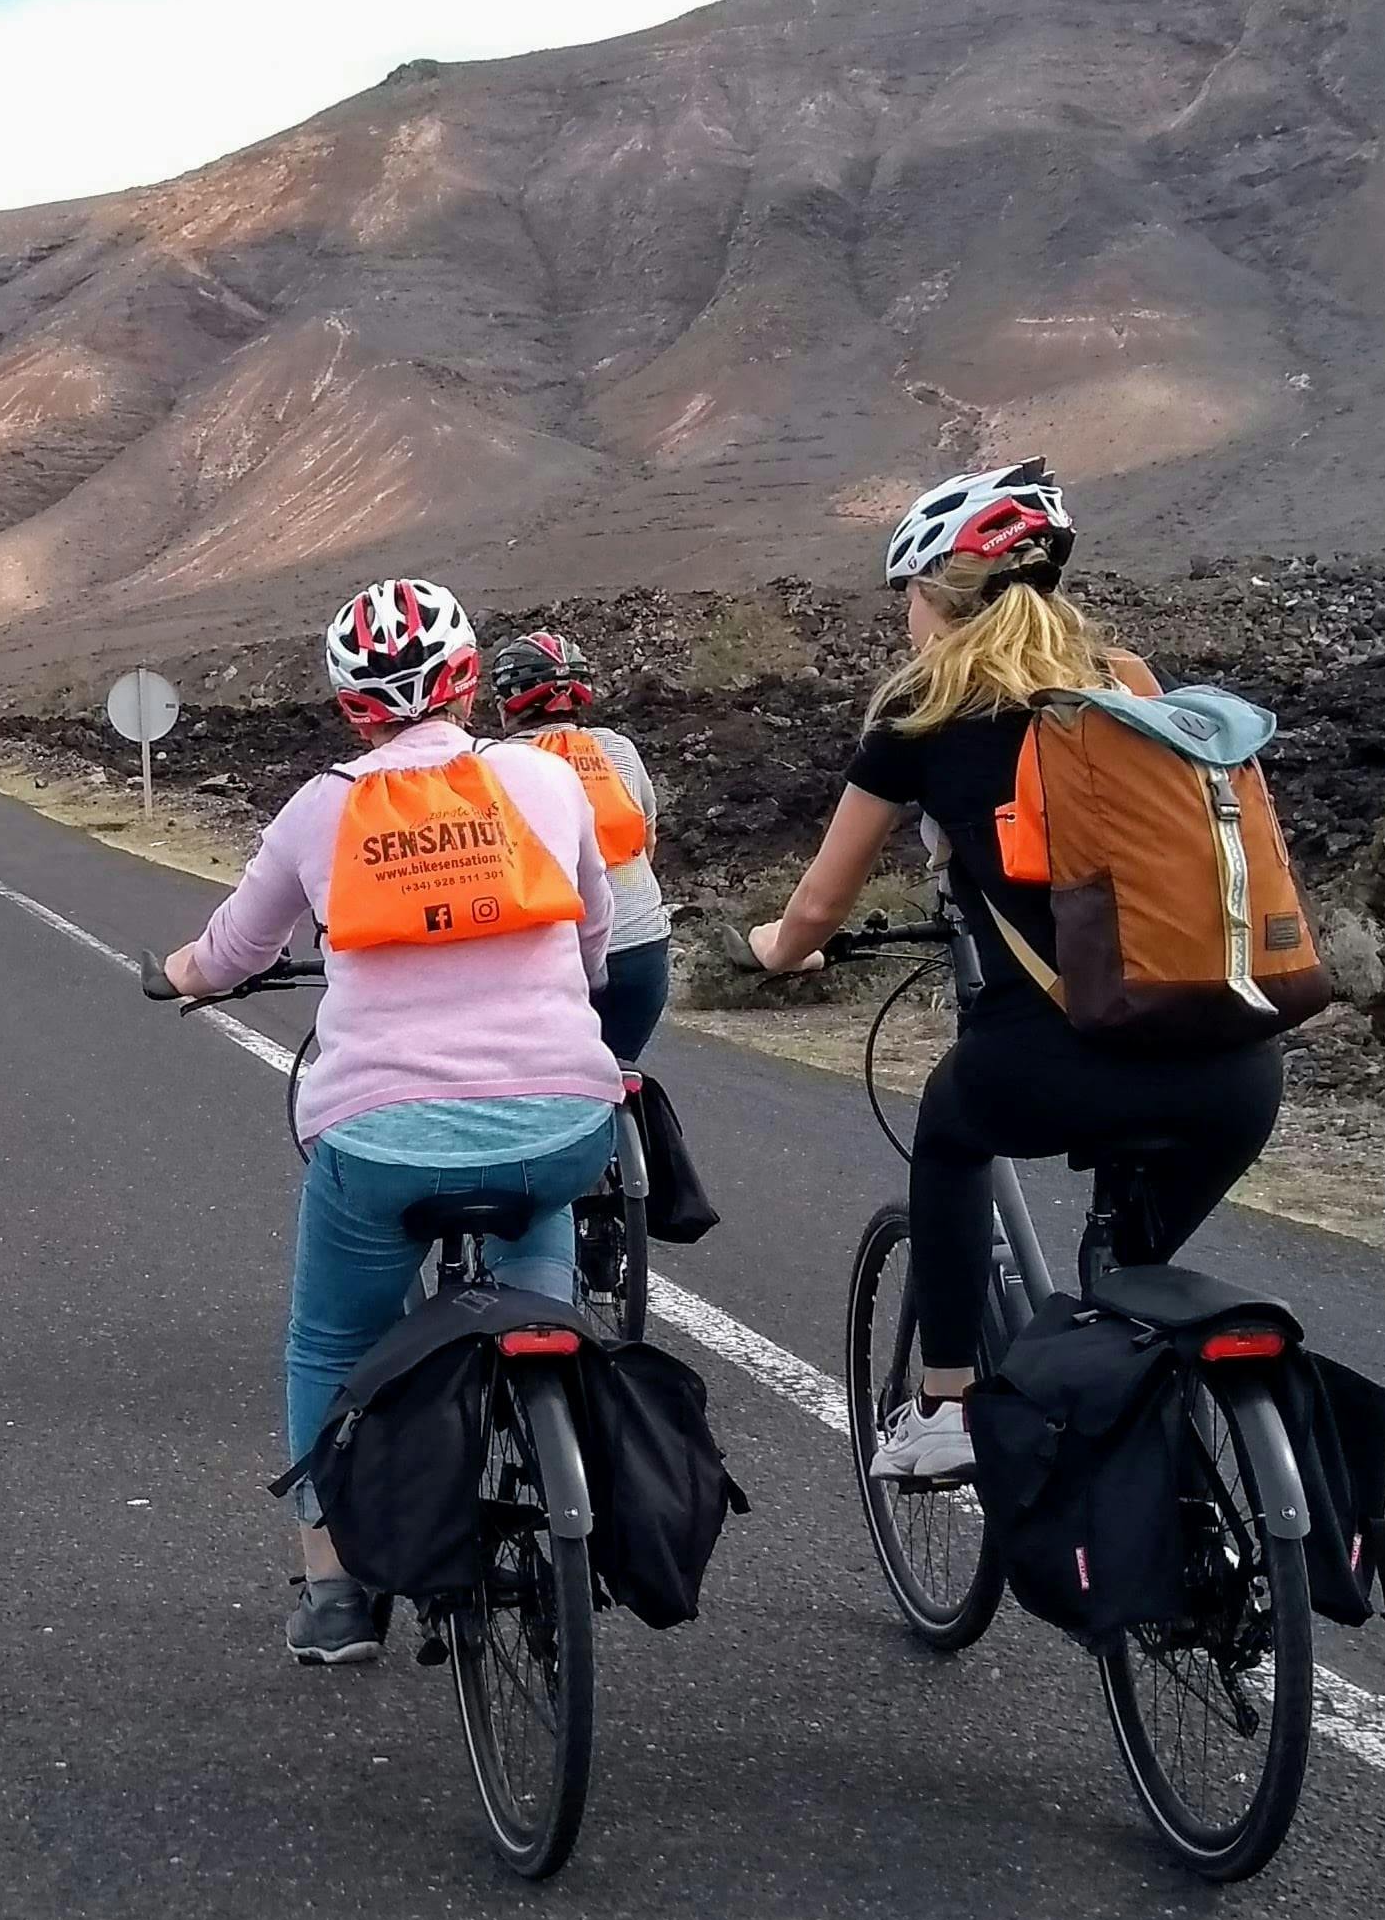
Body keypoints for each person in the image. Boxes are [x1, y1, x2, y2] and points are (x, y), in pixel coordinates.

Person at [738, 459, 1286, 1484]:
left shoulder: (923, 713)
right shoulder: (1130, 686)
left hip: (1053, 1061)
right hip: (1236, 1062)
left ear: (937, 595)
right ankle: (1139, 1435)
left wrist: (779, 949)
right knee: (1126, 1288)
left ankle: (946, 1406)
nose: (905, 616)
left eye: (907, 594)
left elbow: (819, 906)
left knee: (951, 1136)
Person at [155, 575, 622, 1666]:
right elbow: (595, 930)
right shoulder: (544, 785)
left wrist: (176, 976)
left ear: (352, 705)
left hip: (381, 1139)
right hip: (561, 1118)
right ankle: (561, 1485)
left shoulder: (324, 803)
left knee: (330, 1338)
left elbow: (232, 953)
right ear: (467, 678)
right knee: (536, 1236)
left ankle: (333, 1588)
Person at [484, 628, 674, 1063]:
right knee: (620, 1069)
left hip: (559, 958)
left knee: (548, 1087)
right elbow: (647, 843)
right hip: (644, 946)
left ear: (503, 706)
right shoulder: (620, 751)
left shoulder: (490, 767)